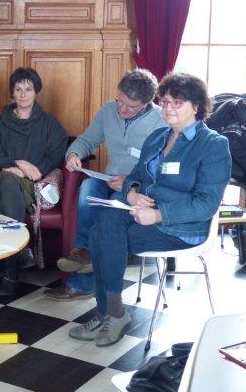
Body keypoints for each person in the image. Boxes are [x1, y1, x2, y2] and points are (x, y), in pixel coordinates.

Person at [68, 72, 231, 347]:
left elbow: (206, 203)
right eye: (165, 101)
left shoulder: (213, 144)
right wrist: (132, 193)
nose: (168, 108)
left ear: (196, 106)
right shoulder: (157, 137)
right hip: (141, 214)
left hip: (181, 227)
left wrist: (158, 214)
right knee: (105, 221)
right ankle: (112, 313)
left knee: (100, 236)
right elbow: (136, 176)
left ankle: (110, 313)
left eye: (177, 102)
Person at [44, 69, 166, 301]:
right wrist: (74, 154)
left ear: (146, 103)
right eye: (120, 100)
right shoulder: (108, 111)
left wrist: (130, 184)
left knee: (105, 214)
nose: (122, 109)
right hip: (108, 180)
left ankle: (81, 283)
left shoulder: (161, 122)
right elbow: (87, 140)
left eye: (130, 106)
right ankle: (82, 252)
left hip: (137, 190)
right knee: (88, 189)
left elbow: (161, 170)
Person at [0, 67, 68, 296]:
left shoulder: (48, 123)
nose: (23, 95)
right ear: (12, 93)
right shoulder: (1, 122)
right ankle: (17, 259)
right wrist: (18, 163)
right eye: (18, 89)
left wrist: (34, 170)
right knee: (8, 182)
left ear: (36, 92)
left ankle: (11, 270)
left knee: (12, 187)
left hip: (32, 184)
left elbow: (56, 152)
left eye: (28, 89)